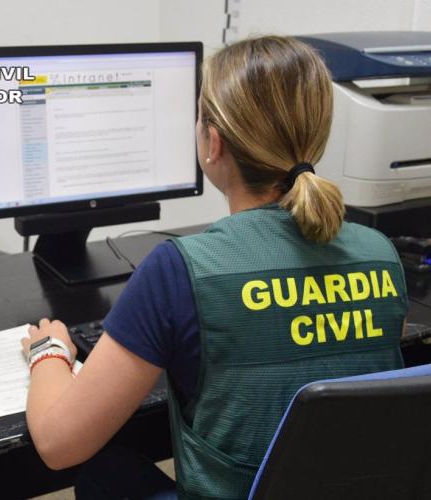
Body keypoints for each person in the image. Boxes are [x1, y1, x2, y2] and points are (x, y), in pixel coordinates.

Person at [21, 35, 408, 500]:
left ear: (214, 143)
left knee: (104, 471)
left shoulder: (179, 271)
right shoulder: (380, 254)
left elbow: (58, 444)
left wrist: (49, 353)